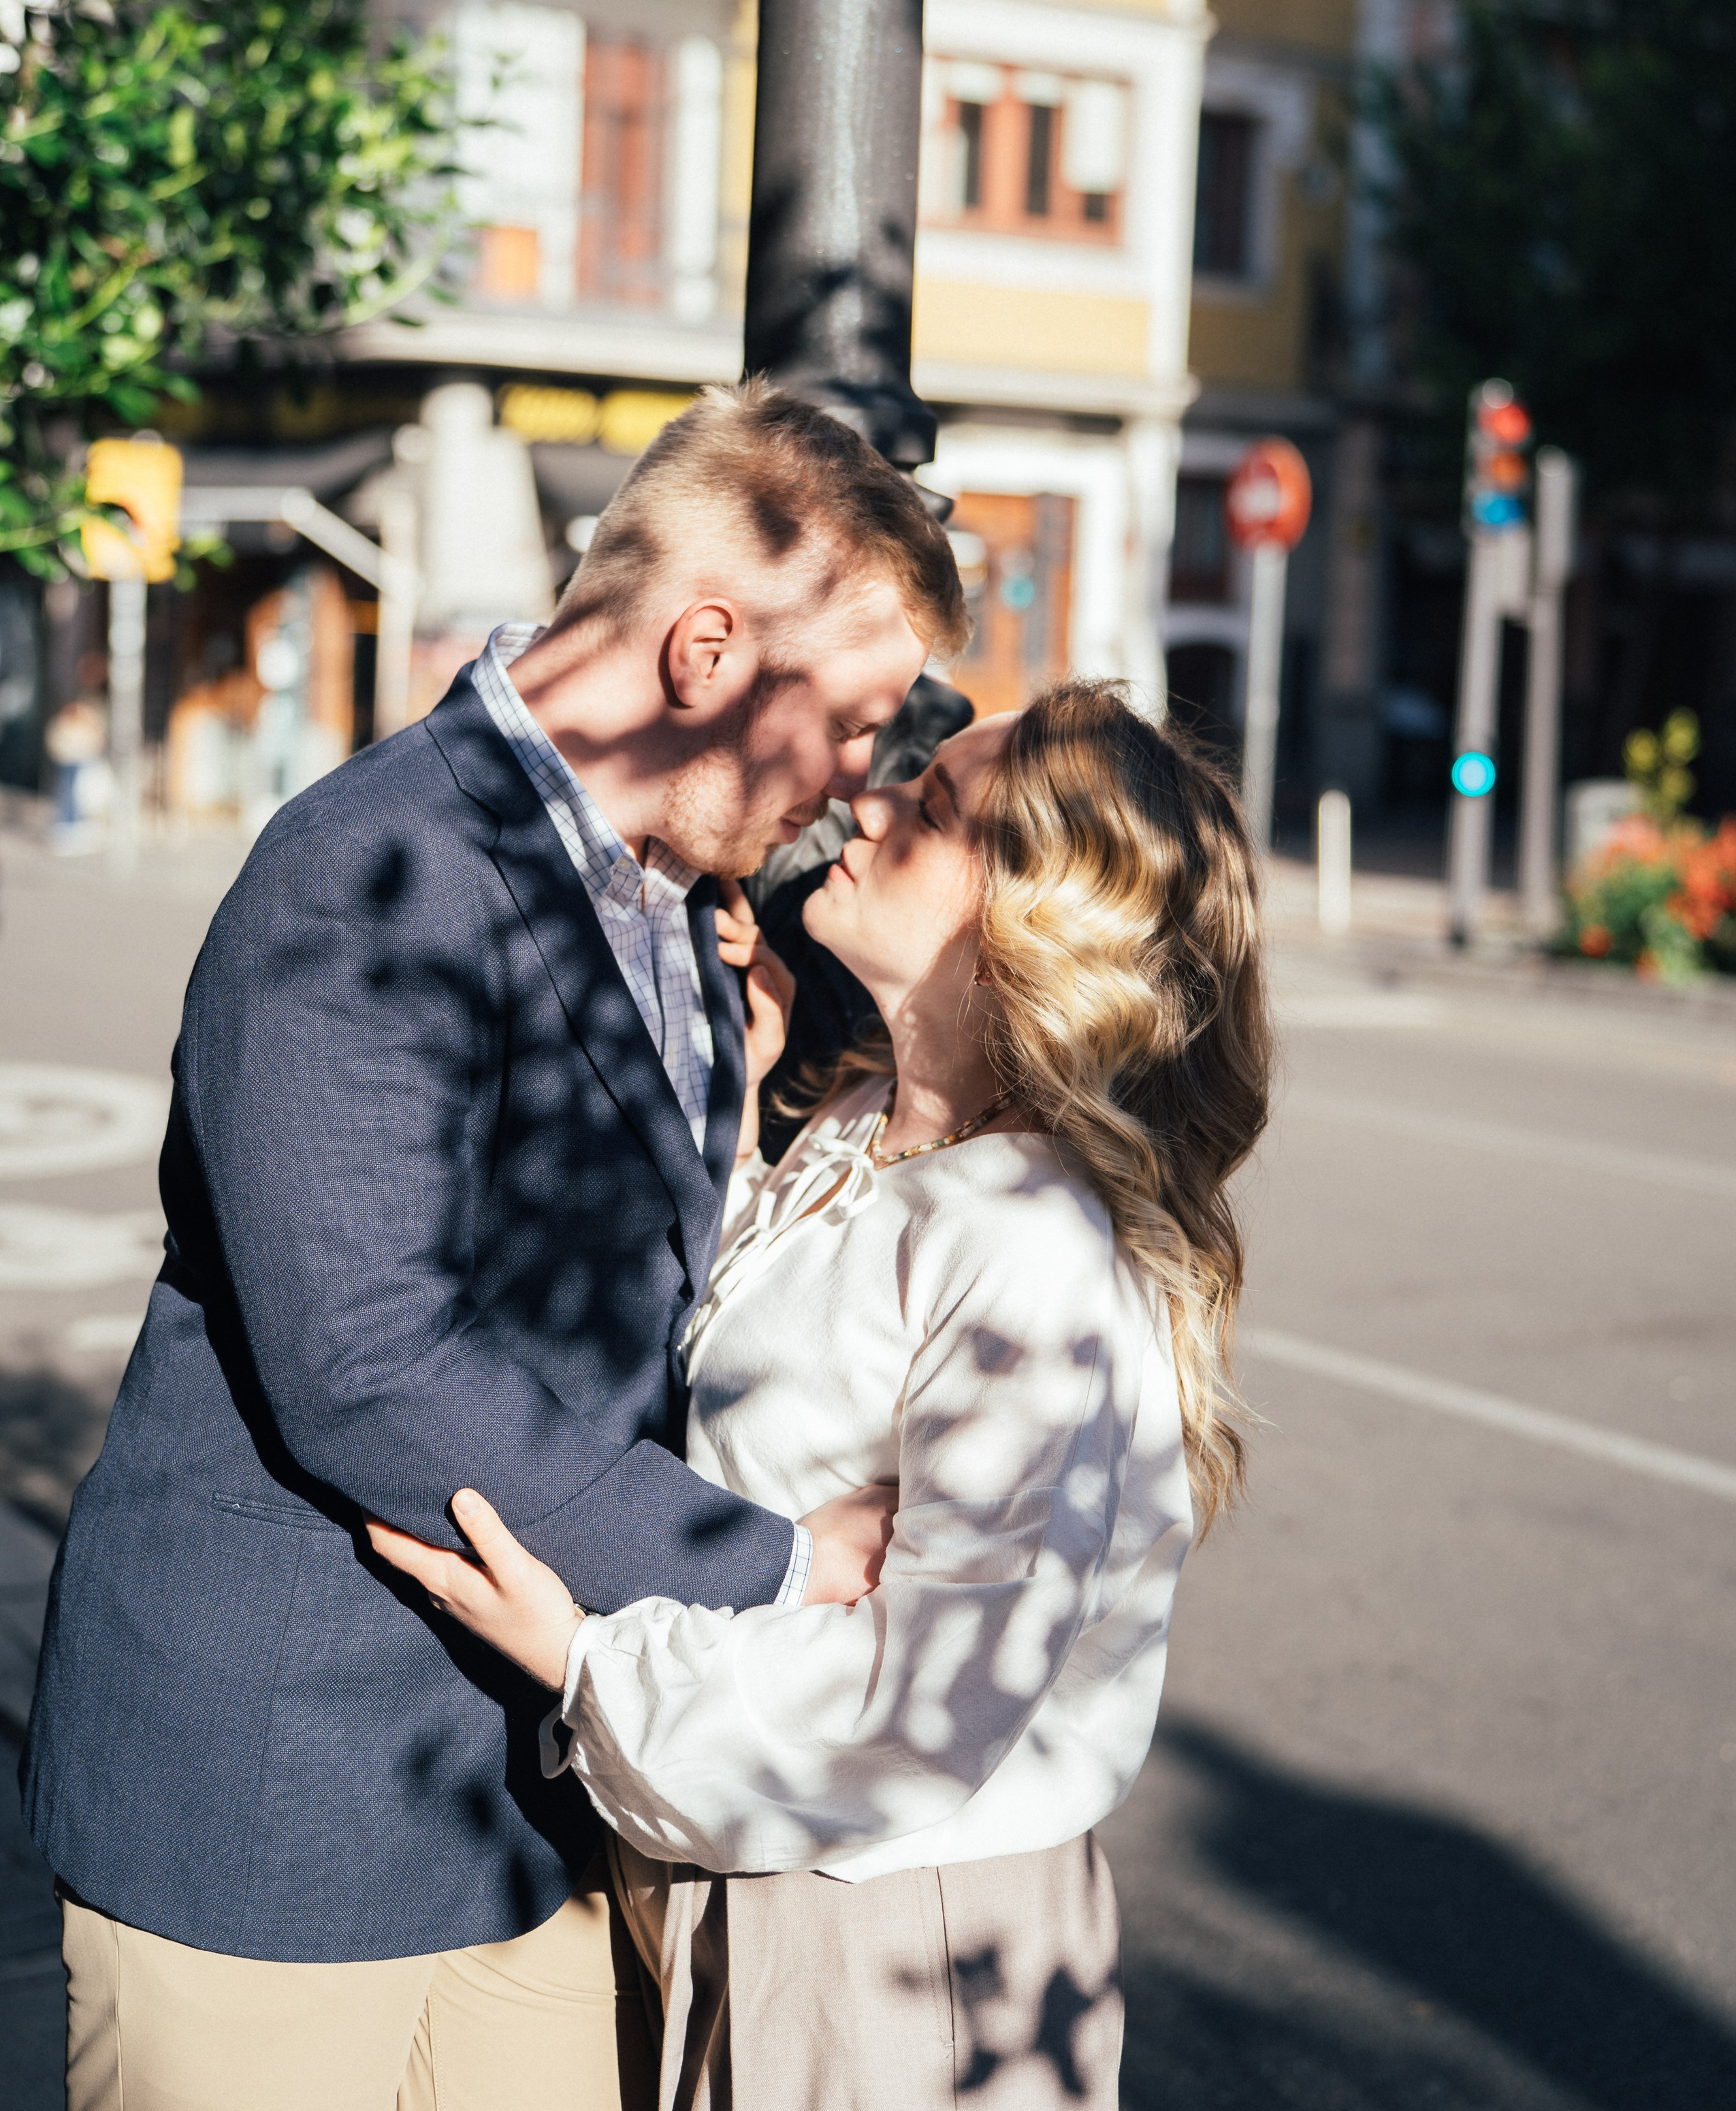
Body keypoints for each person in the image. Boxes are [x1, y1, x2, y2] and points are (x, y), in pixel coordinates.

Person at [21, 383, 967, 2111]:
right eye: (849, 724)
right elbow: (365, 1362)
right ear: (703, 653)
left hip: (521, 1807)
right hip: (278, 1801)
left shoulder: (673, 890)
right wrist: (774, 1563)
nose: (851, 785)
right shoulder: (369, 871)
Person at [370, 678, 1272, 2110]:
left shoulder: (1029, 1242)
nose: (865, 802)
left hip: (894, 1938)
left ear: (1029, 910)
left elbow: (926, 1705)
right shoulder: (866, 1125)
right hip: (749, 1864)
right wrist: (746, 1100)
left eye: (929, 809)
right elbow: (764, 1388)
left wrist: (581, 1659)